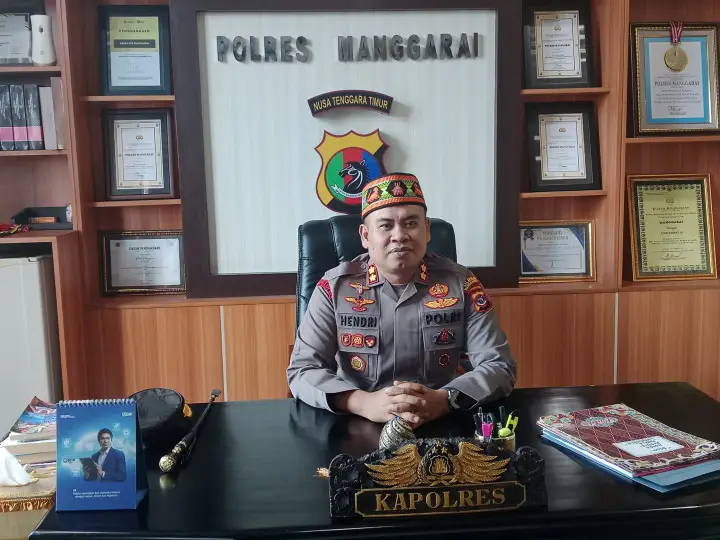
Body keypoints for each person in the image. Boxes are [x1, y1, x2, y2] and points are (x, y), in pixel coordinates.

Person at [287, 172, 516, 428]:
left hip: (441, 420)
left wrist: (445, 400)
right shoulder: (333, 288)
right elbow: (302, 370)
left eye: (410, 223)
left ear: (427, 230)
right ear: (365, 236)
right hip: (357, 423)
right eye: (386, 225)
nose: (399, 235)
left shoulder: (461, 284)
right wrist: (362, 402)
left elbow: (499, 365)